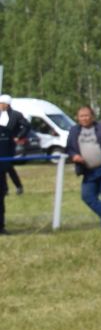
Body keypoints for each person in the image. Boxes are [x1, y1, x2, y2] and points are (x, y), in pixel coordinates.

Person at [63, 105, 101, 229]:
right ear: (77, 118)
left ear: (92, 116)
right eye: (81, 116)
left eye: (87, 115)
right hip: (88, 171)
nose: (84, 118)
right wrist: (74, 156)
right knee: (87, 196)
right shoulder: (73, 131)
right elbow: (69, 149)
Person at [0, 96, 28, 233]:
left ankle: (18, 186)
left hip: (7, 149)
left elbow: (27, 126)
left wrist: (18, 136)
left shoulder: (16, 115)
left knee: (8, 168)